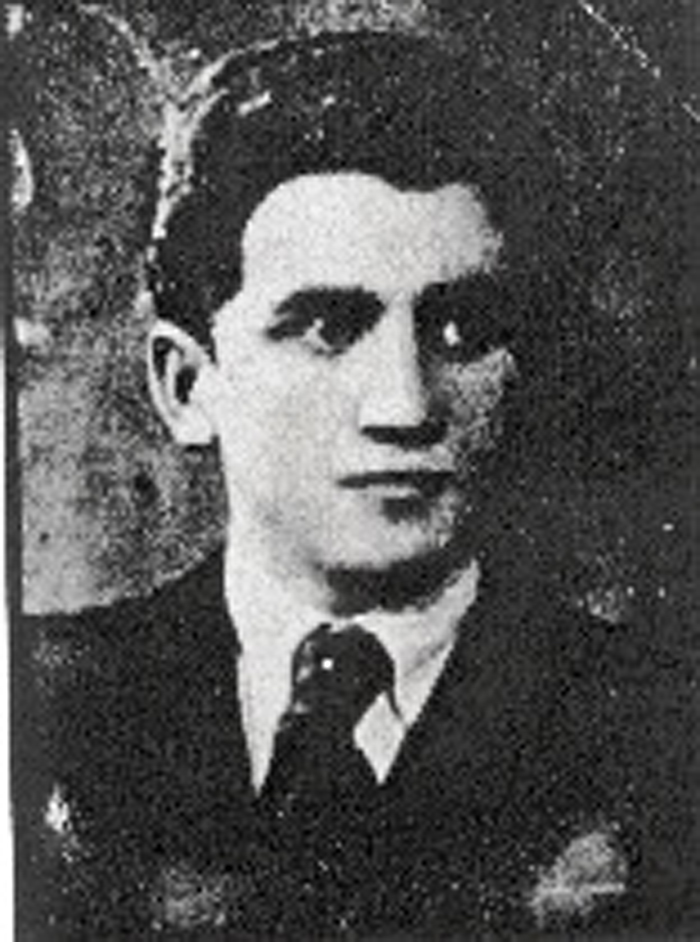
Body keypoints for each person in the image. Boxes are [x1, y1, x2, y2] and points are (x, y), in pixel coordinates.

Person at [22, 27, 691, 939]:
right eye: (328, 328)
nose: (405, 406)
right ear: (186, 385)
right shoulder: (45, 709)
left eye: (461, 331)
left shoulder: (660, 731)